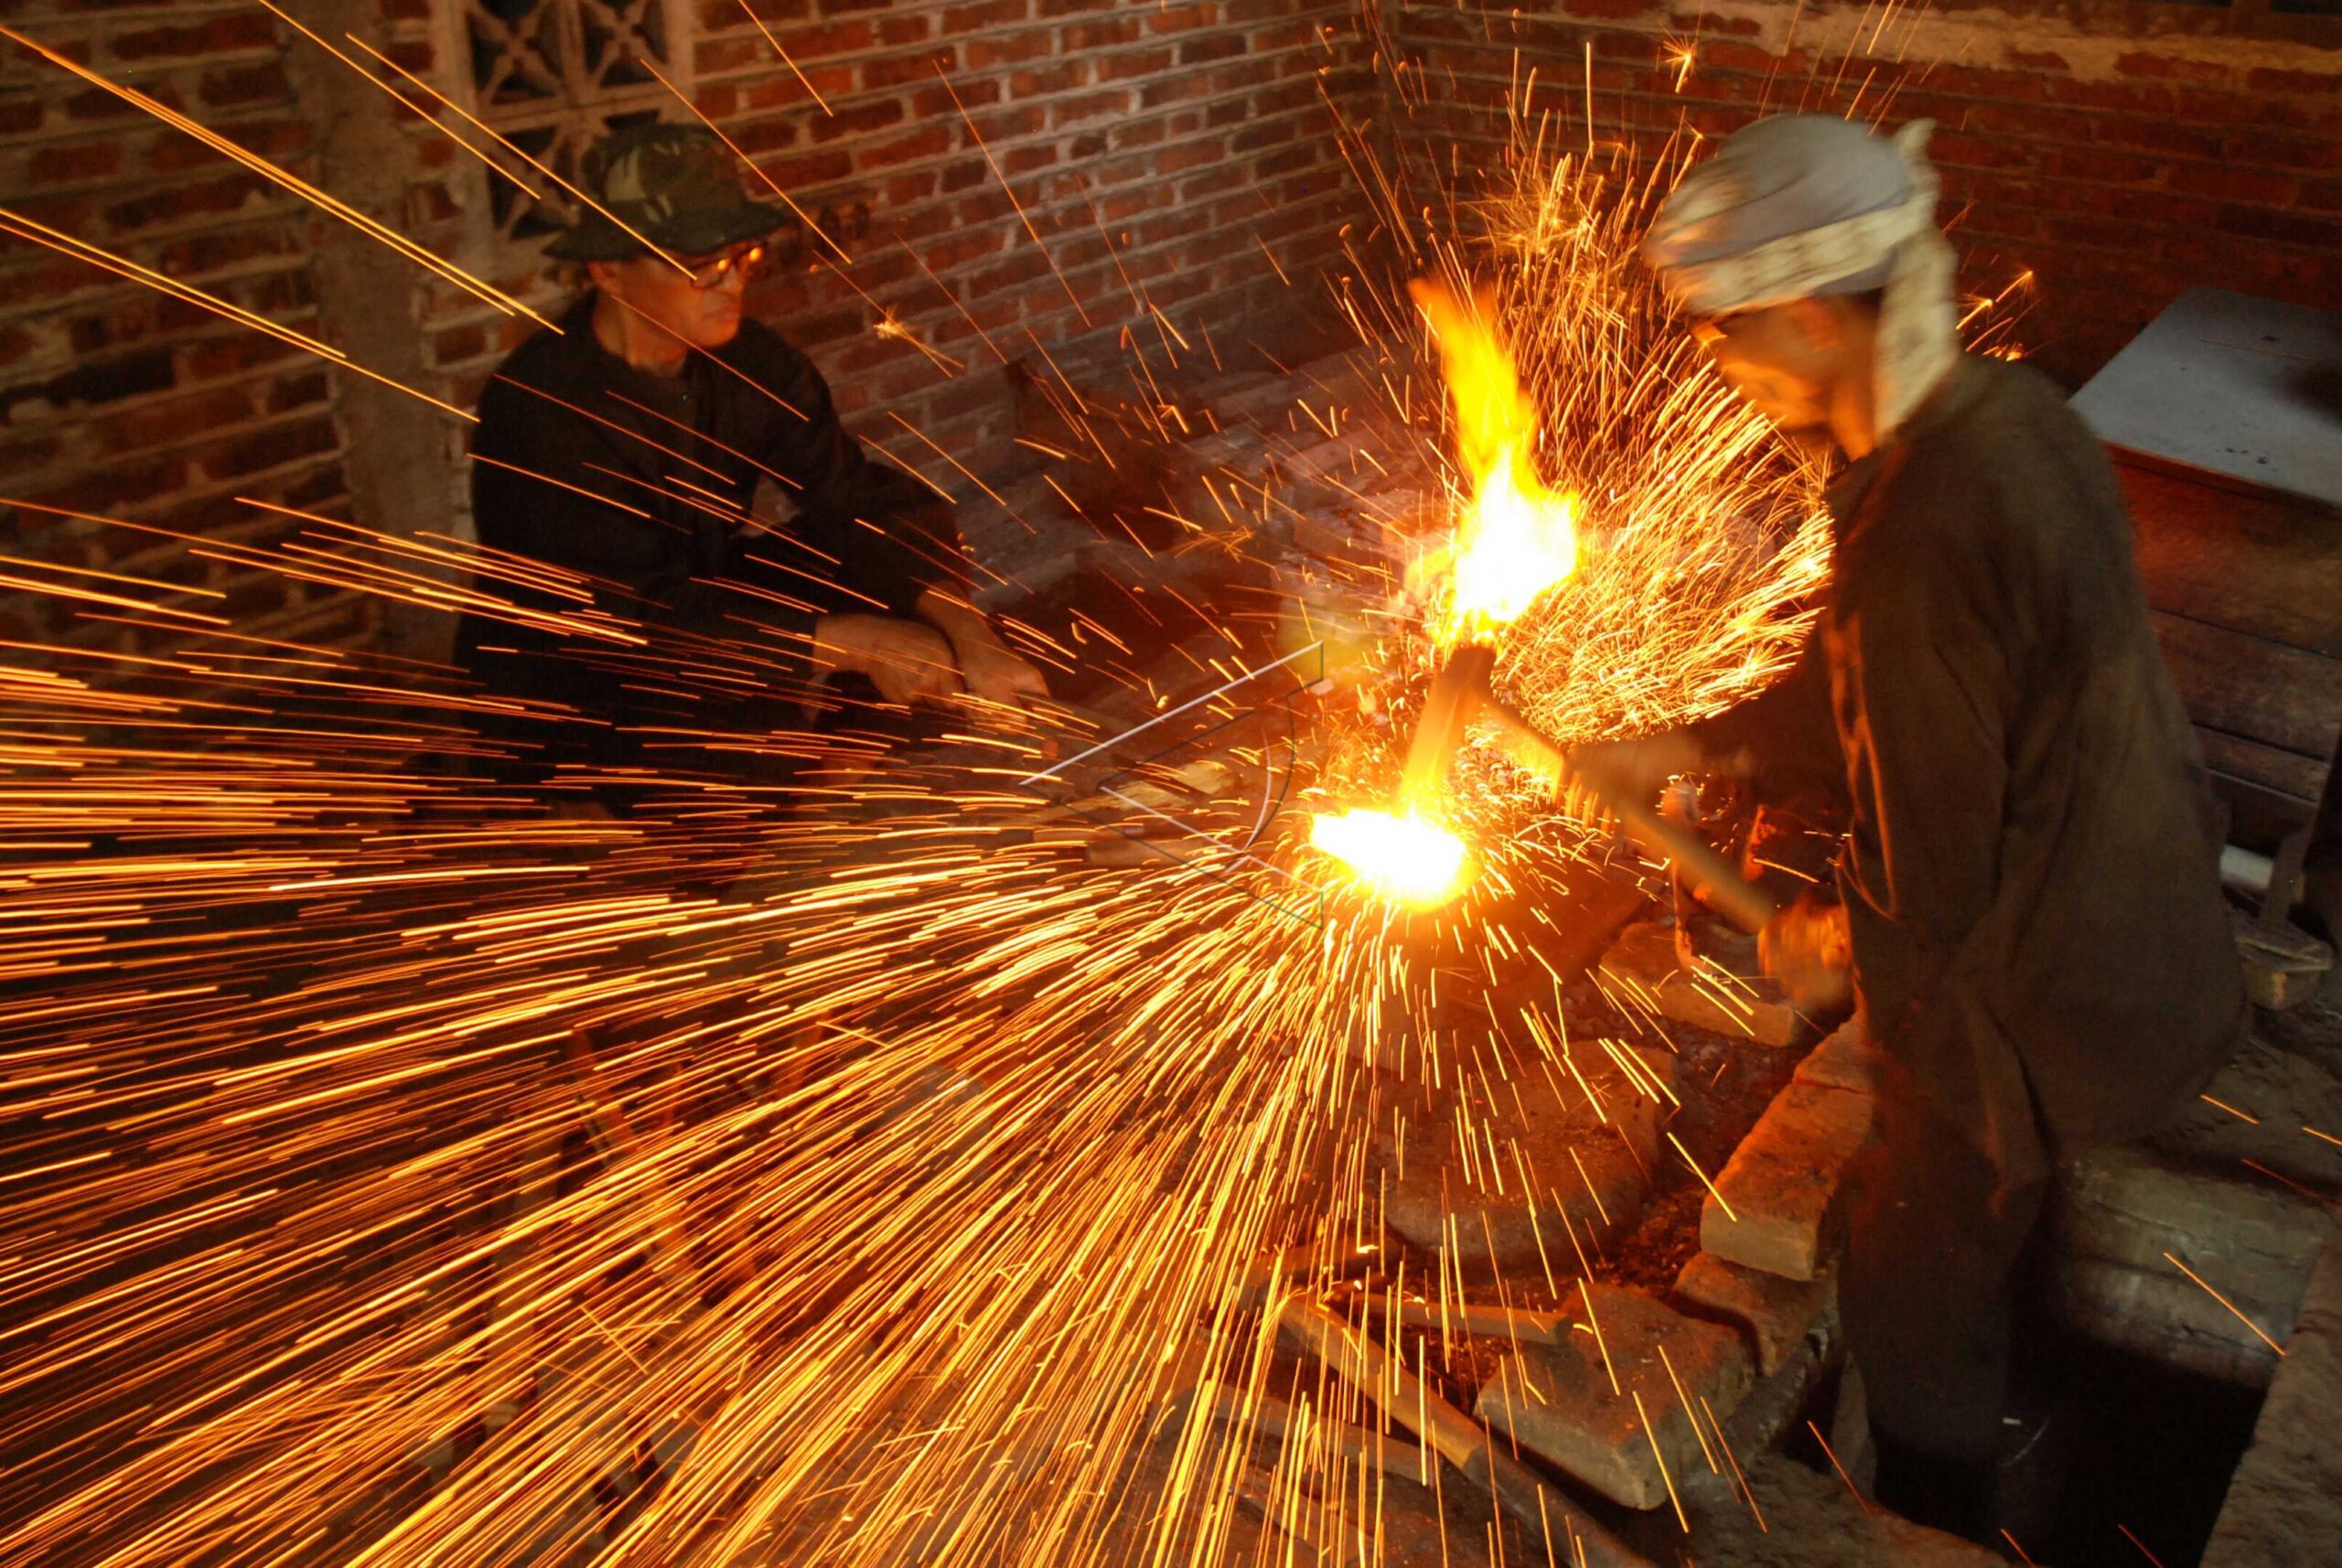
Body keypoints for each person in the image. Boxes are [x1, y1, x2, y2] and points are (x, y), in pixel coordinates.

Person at [1582, 114, 2246, 1539]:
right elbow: (1872, 676)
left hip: (2054, 989)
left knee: (1910, 1266)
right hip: (2155, 929)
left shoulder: (1929, 527)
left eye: (1722, 330)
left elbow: (1936, 882)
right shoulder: (2000, 417)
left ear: (1817, 317)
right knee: (2005, 1217)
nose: (1716, 361)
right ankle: (2035, 1398)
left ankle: (1945, 1516)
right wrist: (1693, 744)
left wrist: (1836, 944)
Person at [457, 122, 1045, 806]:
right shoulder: (540, 408)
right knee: (736, 748)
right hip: (583, 673)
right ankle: (724, 819)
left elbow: (853, 498)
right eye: (700, 263)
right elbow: (631, 621)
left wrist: (970, 635)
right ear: (607, 269)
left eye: (744, 256)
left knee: (893, 579)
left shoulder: (749, 363)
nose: (731, 282)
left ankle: (835, 774)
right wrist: (854, 644)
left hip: (700, 612)